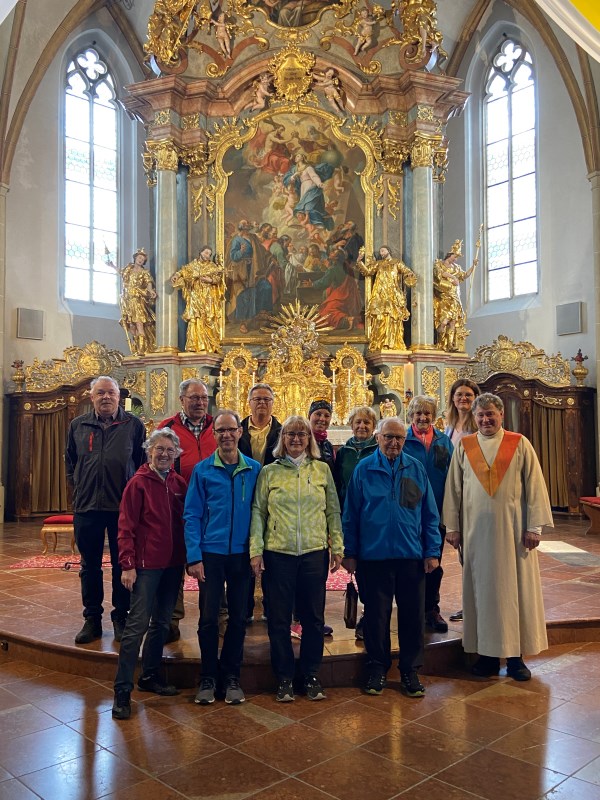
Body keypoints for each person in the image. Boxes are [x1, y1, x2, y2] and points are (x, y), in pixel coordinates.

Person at [443, 393, 553, 681]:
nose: (485, 420)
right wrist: (453, 527)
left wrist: (534, 527)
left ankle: (516, 658)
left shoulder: (519, 443)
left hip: (515, 536)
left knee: (515, 594)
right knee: (482, 594)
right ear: (474, 418)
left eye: (490, 414)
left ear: (501, 415)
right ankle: (488, 656)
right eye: (480, 416)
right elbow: (454, 489)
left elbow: (535, 486)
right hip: (476, 536)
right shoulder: (465, 447)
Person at [342, 417, 441, 698]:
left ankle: (410, 669)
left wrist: (432, 551)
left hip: (410, 555)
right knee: (376, 616)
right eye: (388, 437)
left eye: (399, 437)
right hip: (374, 557)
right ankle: (377, 667)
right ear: (378, 437)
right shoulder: (364, 469)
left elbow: (429, 514)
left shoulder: (416, 468)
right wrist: (350, 552)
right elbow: (351, 515)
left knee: (412, 617)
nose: (394, 442)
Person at [250, 416, 343, 702]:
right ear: (282, 438)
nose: (296, 439)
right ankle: (285, 677)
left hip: (314, 552)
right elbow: (258, 512)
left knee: (313, 619)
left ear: (309, 439)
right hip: (279, 553)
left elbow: (332, 510)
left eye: (302, 434)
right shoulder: (269, 472)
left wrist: (337, 545)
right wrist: (256, 549)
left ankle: (311, 674)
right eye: (290, 434)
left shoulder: (322, 469)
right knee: (279, 619)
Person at [184, 410, 261, 706]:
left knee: (240, 618)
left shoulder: (254, 469)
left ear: (240, 432)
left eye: (231, 430)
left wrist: (256, 552)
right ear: (213, 435)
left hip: (241, 555)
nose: (227, 435)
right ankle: (207, 676)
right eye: (221, 431)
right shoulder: (203, 470)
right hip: (211, 554)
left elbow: (259, 514)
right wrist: (194, 556)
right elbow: (191, 514)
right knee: (208, 618)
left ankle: (231, 677)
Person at [111, 428, 187, 720]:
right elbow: (125, 527)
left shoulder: (178, 483)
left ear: (176, 454)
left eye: (170, 450)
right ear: (149, 451)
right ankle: (122, 690)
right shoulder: (138, 484)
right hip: (145, 566)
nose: (165, 454)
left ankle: (150, 676)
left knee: (162, 622)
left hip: (172, 565)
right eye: (159, 449)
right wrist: (127, 564)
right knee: (136, 626)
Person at [66, 376, 146, 644]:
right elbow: (71, 462)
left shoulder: (133, 425)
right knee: (89, 566)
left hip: (122, 508)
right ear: (92, 397)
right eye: (100, 393)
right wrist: (79, 489)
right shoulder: (78, 425)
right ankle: (92, 619)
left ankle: (120, 617)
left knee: (122, 564)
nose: (106, 397)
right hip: (87, 507)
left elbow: (140, 463)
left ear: (118, 395)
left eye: (110, 393)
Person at [158, 379, 218, 640]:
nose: (200, 403)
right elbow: (156, 463)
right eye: (194, 398)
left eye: (204, 398)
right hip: (176, 506)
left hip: (212, 509)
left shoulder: (218, 426)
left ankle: (215, 618)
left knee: (211, 565)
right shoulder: (168, 428)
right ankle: (172, 619)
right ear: (181, 399)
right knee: (175, 564)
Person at [403, 395, 453, 633]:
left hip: (438, 513)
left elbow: (453, 477)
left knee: (434, 561)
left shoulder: (444, 442)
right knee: (411, 564)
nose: (423, 418)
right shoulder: (403, 440)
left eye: (427, 414)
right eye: (418, 414)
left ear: (434, 416)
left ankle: (431, 608)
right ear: (411, 416)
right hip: (409, 512)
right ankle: (412, 609)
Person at [291, 400, 335, 640]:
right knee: (299, 575)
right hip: (298, 515)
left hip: (318, 514)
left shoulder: (327, 445)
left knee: (316, 576)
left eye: (326, 415)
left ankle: (314, 618)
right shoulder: (302, 440)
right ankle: (298, 619)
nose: (322, 419)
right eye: (318, 414)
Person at [333, 405, 378, 641]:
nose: (361, 426)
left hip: (371, 515)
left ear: (373, 427)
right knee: (354, 562)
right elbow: (339, 482)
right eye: (358, 422)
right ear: (351, 425)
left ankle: (368, 615)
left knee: (370, 569)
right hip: (348, 515)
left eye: (366, 423)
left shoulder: (377, 449)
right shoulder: (344, 452)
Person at [239, 383, 282, 622]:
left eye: (266, 399)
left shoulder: (282, 430)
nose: (262, 403)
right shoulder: (238, 429)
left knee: (272, 552)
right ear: (249, 402)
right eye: (257, 399)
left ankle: (270, 606)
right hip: (243, 494)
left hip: (272, 498)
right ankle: (244, 608)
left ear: (273, 403)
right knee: (246, 550)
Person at [444, 378, 480, 622]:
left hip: (473, 492)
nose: (463, 399)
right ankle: (469, 604)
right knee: (463, 554)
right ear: (452, 398)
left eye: (468, 395)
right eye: (459, 395)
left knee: (476, 554)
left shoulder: (479, 423)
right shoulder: (449, 425)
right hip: (456, 492)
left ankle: (478, 605)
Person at [358, 245, 417, 351]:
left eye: (383, 250)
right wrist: (359, 261)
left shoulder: (396, 262)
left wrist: (409, 276)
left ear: (388, 251)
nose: (381, 253)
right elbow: (368, 271)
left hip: (393, 294)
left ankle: (391, 342)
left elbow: (406, 271)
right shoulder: (379, 263)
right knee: (380, 318)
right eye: (380, 251)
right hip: (380, 294)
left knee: (392, 318)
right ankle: (380, 341)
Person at [171, 247, 224, 354]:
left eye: (209, 254)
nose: (207, 255)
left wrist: (209, 280)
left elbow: (218, 279)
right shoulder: (192, 265)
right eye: (205, 252)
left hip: (208, 296)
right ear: (200, 252)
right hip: (195, 295)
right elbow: (182, 271)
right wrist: (176, 276)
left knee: (207, 319)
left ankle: (208, 345)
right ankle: (194, 345)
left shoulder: (212, 266)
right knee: (195, 318)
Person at [107, 248, 157, 356]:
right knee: (131, 326)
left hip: (137, 299)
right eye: (139, 258)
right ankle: (136, 346)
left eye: (143, 259)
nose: (141, 260)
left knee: (139, 323)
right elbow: (121, 272)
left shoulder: (144, 272)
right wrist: (112, 266)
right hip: (127, 300)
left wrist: (150, 290)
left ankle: (142, 349)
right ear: (135, 258)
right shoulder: (128, 270)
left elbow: (148, 283)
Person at [433, 240, 476, 352]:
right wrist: (453, 278)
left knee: (453, 321)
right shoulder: (439, 264)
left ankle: (450, 344)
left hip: (455, 295)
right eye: (455, 256)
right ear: (450, 255)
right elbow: (439, 274)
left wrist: (473, 266)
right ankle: (440, 335)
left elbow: (465, 275)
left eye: (457, 258)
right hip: (444, 294)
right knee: (444, 320)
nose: (456, 259)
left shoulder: (457, 267)